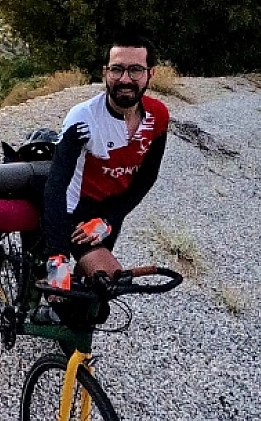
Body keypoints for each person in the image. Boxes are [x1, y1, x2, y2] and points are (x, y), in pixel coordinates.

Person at [43, 40, 170, 287]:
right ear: (105, 72)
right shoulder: (83, 119)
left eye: (135, 70)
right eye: (116, 69)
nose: (125, 79)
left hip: (109, 214)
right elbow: (56, 185)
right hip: (72, 211)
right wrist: (56, 256)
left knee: (96, 296)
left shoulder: (158, 116)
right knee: (60, 292)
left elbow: (147, 177)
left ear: (150, 73)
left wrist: (109, 220)